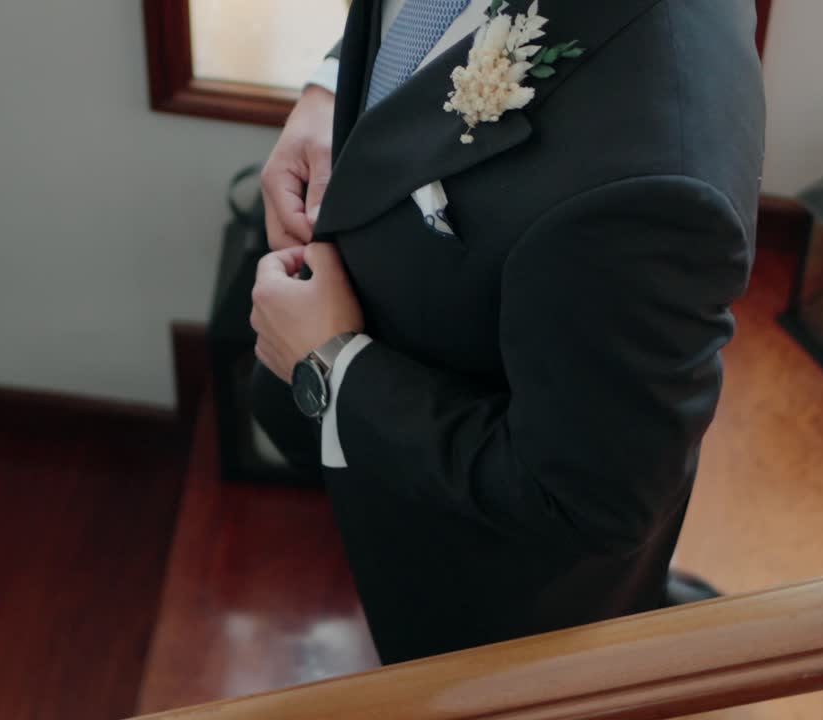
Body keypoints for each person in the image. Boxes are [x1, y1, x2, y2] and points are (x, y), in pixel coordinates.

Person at [248, 0, 764, 665]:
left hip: (481, 577)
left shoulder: (658, 182)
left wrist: (331, 366)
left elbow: (585, 498)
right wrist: (331, 85)